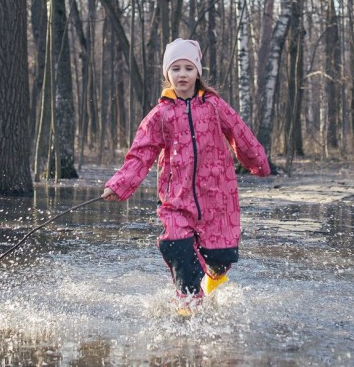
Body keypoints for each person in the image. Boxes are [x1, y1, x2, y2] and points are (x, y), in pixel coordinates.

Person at [102, 38, 270, 313]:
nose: (182, 74)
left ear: (197, 73)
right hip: (176, 199)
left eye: (188, 68)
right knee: (176, 246)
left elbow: (241, 135)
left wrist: (259, 164)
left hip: (217, 197)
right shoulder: (160, 114)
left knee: (219, 257)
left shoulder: (215, 106)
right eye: (176, 68)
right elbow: (140, 153)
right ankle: (188, 304)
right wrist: (119, 185)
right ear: (167, 74)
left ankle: (213, 285)